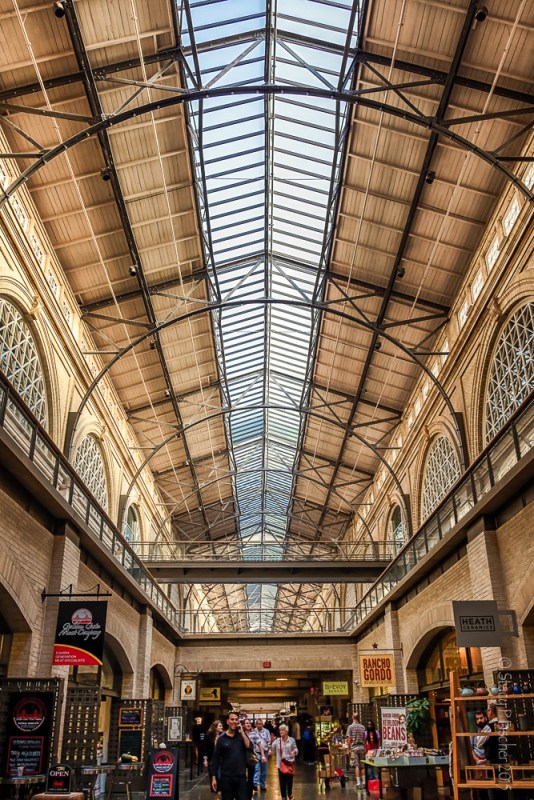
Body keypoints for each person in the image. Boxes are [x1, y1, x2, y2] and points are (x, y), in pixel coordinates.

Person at [211, 711, 252, 800]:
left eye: (236, 720)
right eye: (232, 719)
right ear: (227, 721)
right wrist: (214, 777)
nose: (234, 721)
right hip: (226, 777)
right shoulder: (221, 739)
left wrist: (242, 733)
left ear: (238, 722)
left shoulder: (241, 736)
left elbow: (249, 746)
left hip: (241, 777)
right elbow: (216, 758)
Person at [271, 723, 298, 800]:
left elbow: (296, 749)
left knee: (289, 781)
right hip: (281, 764)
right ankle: (283, 796)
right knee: (282, 782)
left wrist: (294, 752)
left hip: (289, 763)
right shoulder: (277, 741)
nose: (281, 731)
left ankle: (290, 793)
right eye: (280, 730)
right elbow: (272, 749)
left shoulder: (291, 740)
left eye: (282, 730)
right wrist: (272, 741)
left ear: (286, 731)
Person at [249, 718, 271, 792]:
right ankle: (254, 784)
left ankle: (262, 785)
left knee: (263, 770)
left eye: (261, 724)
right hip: (256, 752)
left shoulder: (266, 731)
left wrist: (269, 748)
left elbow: (269, 741)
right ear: (256, 724)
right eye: (258, 724)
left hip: (264, 752)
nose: (260, 725)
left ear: (262, 724)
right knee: (256, 768)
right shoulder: (253, 731)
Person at [346, 712, 366, 787]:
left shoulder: (350, 727)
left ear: (353, 717)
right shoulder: (362, 727)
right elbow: (364, 739)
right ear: (358, 718)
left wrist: (348, 749)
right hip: (361, 747)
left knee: (356, 766)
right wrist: (365, 749)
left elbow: (349, 739)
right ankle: (364, 782)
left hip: (354, 748)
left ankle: (358, 783)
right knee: (362, 766)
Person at [203, 720, 224, 792]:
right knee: (213, 774)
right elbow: (205, 748)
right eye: (220, 726)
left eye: (222, 726)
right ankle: (214, 788)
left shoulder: (223, 736)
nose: (222, 727)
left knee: (220, 774)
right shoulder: (208, 736)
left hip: (222, 758)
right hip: (212, 758)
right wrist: (205, 759)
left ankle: (221, 788)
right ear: (215, 727)